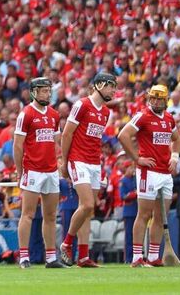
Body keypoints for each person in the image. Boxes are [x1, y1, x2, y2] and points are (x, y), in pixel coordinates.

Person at [118, 84, 180, 268]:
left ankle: (153, 256)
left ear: (166, 100)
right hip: (149, 172)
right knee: (144, 214)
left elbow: (177, 139)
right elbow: (123, 135)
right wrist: (137, 159)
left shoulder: (169, 118)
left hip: (165, 172)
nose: (155, 101)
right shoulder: (143, 116)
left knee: (161, 216)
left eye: (159, 99)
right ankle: (137, 256)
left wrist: (175, 157)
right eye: (153, 98)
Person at [59, 72, 115, 267]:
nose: (113, 91)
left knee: (88, 211)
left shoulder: (106, 112)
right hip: (78, 159)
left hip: (94, 162)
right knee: (88, 205)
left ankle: (83, 256)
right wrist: (64, 162)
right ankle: (67, 243)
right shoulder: (81, 105)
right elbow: (67, 134)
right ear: (99, 85)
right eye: (110, 86)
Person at [14, 77, 67, 268]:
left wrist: (61, 162)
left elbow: (57, 142)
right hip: (33, 169)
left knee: (51, 215)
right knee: (28, 214)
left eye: (49, 90)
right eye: (44, 90)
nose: (47, 94)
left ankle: (51, 257)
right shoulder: (26, 114)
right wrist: (20, 172)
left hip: (51, 170)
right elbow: (18, 145)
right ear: (34, 92)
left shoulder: (54, 114)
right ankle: (23, 256)